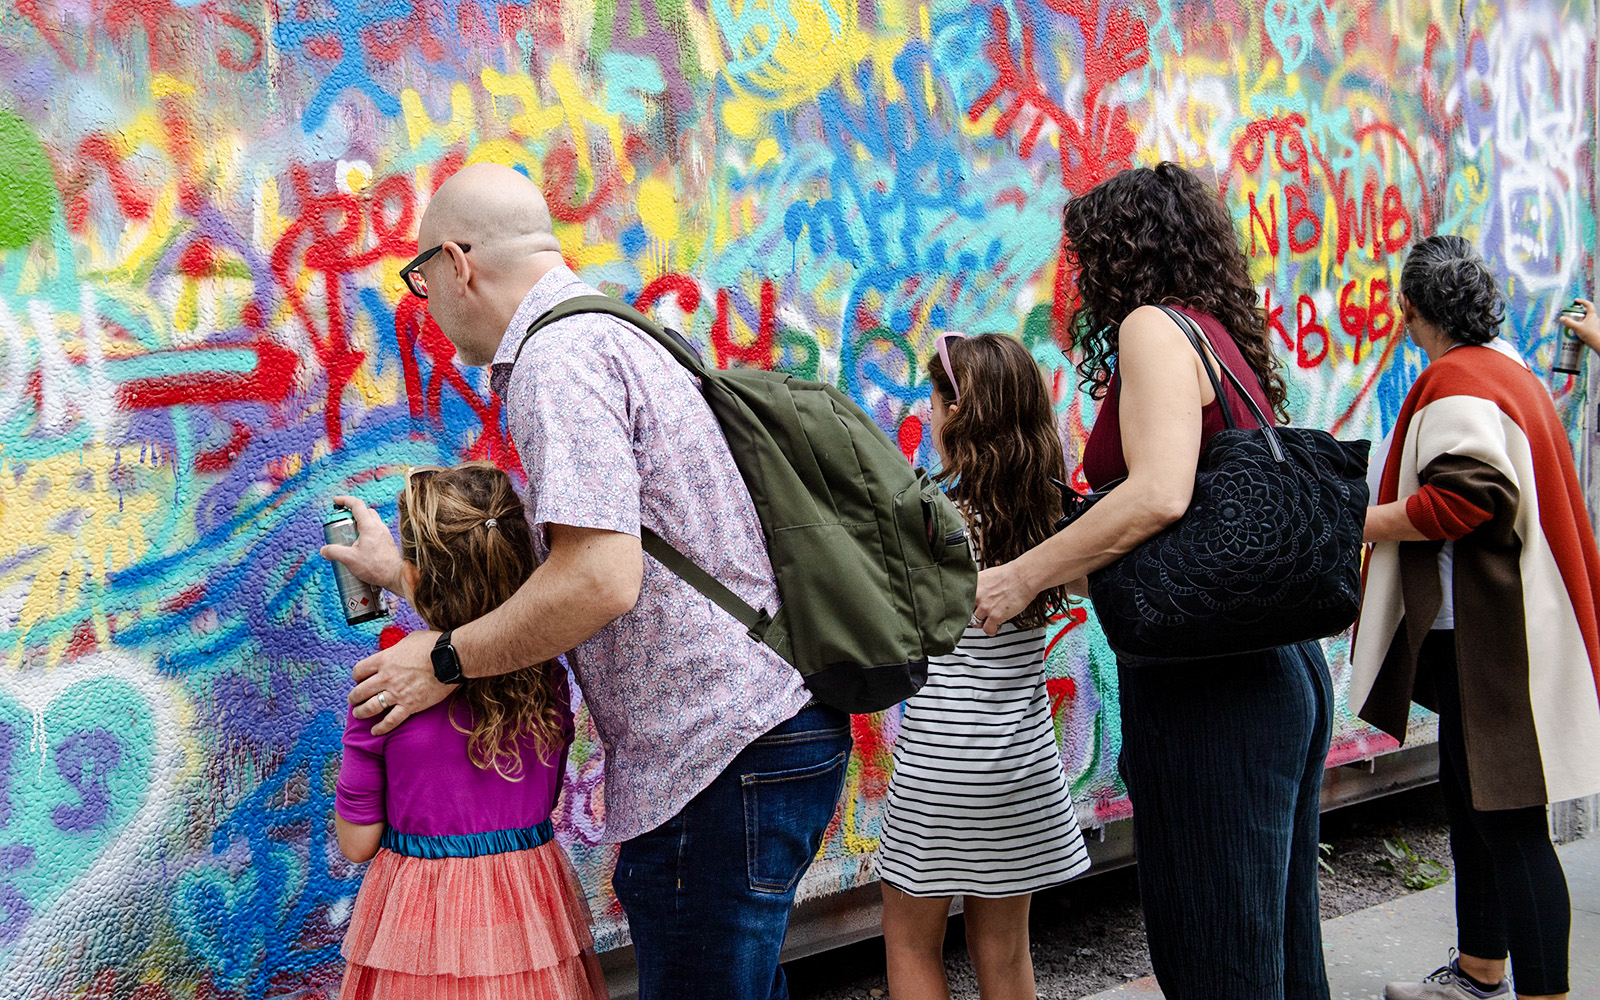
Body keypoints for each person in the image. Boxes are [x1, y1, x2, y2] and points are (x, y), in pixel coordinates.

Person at [321, 162, 850, 1000]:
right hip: (754, 734)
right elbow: (582, 573)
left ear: (458, 263)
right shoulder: (613, 331)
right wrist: (404, 575)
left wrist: (445, 658)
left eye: (419, 278)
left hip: (717, 752)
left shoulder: (558, 361)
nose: (425, 303)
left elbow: (600, 580)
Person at [971, 163, 1333, 1000]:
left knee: (1219, 964)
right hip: (1274, 671)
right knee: (1279, 953)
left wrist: (1022, 575)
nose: (1080, 279)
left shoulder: (1151, 327)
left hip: (1214, 693)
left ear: (1123, 254)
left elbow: (1161, 492)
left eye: (1087, 257)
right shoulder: (1214, 330)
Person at [1351, 235, 1600, 1000]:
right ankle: (1480, 970)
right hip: (1492, 635)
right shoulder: (1504, 367)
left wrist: (1362, 521)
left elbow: (1467, 498)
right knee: (1475, 808)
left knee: (1512, 825)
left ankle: (1538, 992)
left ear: (1411, 311)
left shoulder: (1459, 381)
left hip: (1496, 642)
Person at [329, 462, 608, 1000]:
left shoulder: (384, 691)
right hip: (528, 917)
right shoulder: (544, 678)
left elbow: (357, 843)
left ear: (413, 574)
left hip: (420, 931)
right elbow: (544, 802)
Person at [876, 333, 1091, 1000]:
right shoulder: (1052, 520)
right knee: (1004, 951)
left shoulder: (927, 518)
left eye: (937, 400)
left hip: (939, 764)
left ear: (955, 415)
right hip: (1021, 765)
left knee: (912, 943)